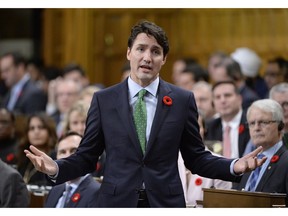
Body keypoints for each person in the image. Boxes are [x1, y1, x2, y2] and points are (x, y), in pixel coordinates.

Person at [25, 20, 266, 208]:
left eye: (156, 51)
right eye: (141, 49)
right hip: (116, 204)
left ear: (164, 59)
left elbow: (196, 158)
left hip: (165, 203)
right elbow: (87, 157)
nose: (147, 57)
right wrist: (56, 168)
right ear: (129, 53)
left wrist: (235, 166)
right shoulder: (104, 100)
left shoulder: (183, 100)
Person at [236, 99, 288, 206]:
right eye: (252, 123)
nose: (256, 128)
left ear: (280, 126)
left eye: (263, 122)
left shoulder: (286, 160)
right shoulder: (247, 162)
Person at [45, 131, 100, 207]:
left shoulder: (96, 192)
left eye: (73, 150)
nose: (67, 156)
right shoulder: (54, 190)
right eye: (62, 152)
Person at [18, 112, 57, 186]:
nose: (36, 132)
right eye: (32, 128)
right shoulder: (24, 158)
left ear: (49, 131)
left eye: (41, 127)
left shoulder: (56, 156)